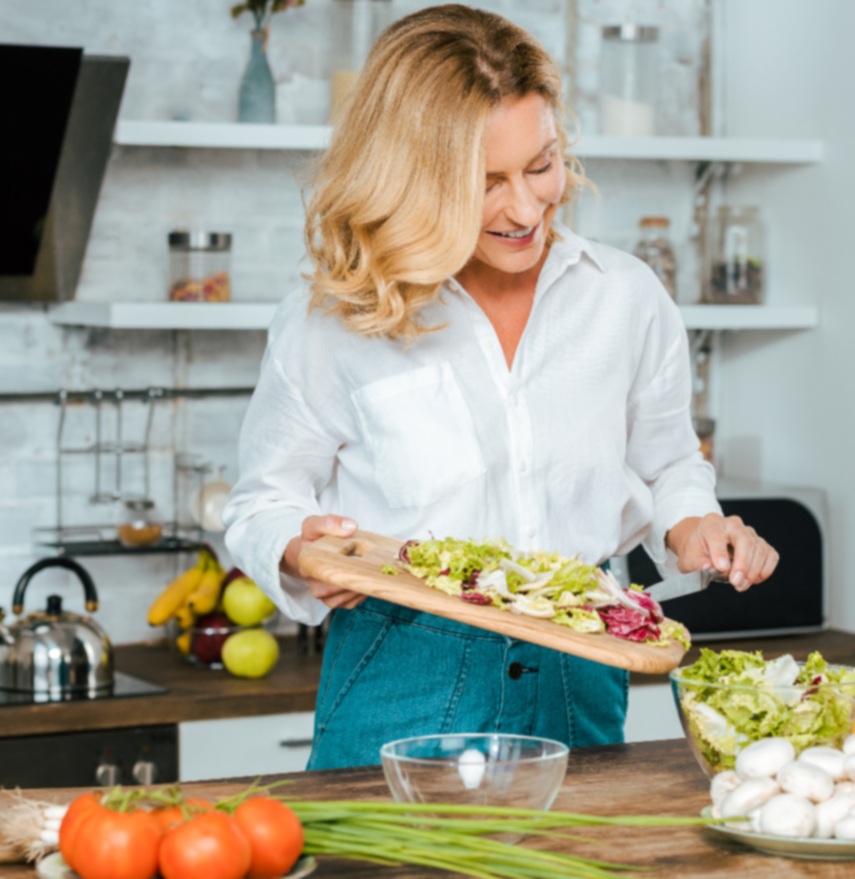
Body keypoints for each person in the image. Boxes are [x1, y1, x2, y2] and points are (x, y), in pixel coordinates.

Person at [223, 4, 778, 770]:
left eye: (541, 164)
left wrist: (699, 529)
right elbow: (261, 501)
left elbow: (668, 467)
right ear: (412, 177)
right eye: (485, 183)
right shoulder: (332, 322)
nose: (525, 208)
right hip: (402, 666)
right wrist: (297, 547)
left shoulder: (625, 297)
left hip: (581, 667)